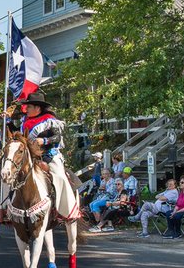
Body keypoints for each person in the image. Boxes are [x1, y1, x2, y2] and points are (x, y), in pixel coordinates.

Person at [19, 91, 77, 220]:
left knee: (60, 177)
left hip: (48, 155)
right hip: (30, 156)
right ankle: (9, 207)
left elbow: (57, 137)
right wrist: (8, 122)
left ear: (37, 108)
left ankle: (67, 211)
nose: (26, 109)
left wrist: (44, 141)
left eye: (28, 106)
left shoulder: (50, 121)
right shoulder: (24, 121)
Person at [99, 167, 139, 232]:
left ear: (127, 174)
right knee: (107, 207)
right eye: (116, 184)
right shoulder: (123, 184)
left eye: (118, 184)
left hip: (126, 206)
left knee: (111, 209)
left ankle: (100, 226)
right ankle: (108, 225)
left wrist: (112, 203)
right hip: (120, 203)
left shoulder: (127, 187)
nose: (117, 185)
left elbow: (125, 199)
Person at [86, 168, 119, 233]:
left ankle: (99, 223)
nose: (104, 175)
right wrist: (100, 189)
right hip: (102, 197)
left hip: (110, 199)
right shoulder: (103, 181)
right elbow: (100, 192)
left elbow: (112, 193)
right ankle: (100, 222)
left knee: (95, 204)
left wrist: (104, 189)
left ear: (109, 174)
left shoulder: (113, 181)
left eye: (106, 174)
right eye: (103, 174)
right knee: (91, 204)